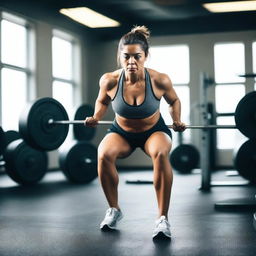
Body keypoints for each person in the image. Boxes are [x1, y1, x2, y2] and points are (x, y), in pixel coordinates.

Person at [85, 25, 186, 239]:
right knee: (103, 154)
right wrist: (96, 116)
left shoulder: (159, 79)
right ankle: (114, 210)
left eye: (137, 57)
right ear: (120, 57)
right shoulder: (109, 80)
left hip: (153, 131)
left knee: (160, 153)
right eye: (126, 57)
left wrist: (176, 119)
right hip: (122, 131)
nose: (131, 62)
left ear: (146, 56)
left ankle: (162, 219)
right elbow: (102, 101)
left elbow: (174, 100)